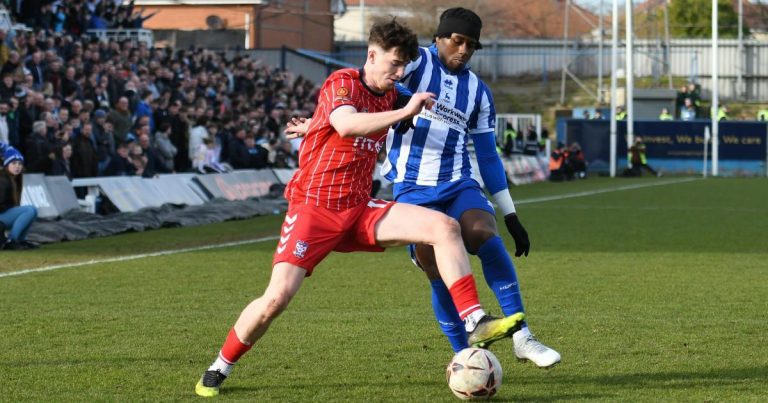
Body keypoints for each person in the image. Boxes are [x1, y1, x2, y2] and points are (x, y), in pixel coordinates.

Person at [195, 19, 525, 398]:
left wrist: (316, 125)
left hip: (359, 207)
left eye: (405, 67)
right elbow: (348, 124)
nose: (400, 75)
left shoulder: (390, 93)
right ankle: (221, 365)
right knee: (275, 300)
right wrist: (400, 112)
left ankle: (475, 320)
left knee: (444, 228)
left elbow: (430, 112)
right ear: (372, 55)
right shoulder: (343, 81)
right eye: (394, 65)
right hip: (314, 210)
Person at [378, 7, 560, 367]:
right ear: (439, 38)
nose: (463, 50)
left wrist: (511, 215)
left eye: (471, 46)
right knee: (435, 266)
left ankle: (523, 337)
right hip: (412, 188)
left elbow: (489, 157)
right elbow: (381, 81)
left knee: (483, 233)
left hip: (458, 181)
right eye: (457, 41)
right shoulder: (415, 64)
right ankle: (464, 354)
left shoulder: (479, 92)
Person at [0, 147, 39, 250]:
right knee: (29, 210)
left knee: (33, 210)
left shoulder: (14, 179)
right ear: (6, 165)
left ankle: (20, 240)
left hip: (4, 214)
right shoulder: (3, 180)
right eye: (14, 163)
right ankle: (11, 241)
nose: (17, 166)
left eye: (20, 164)